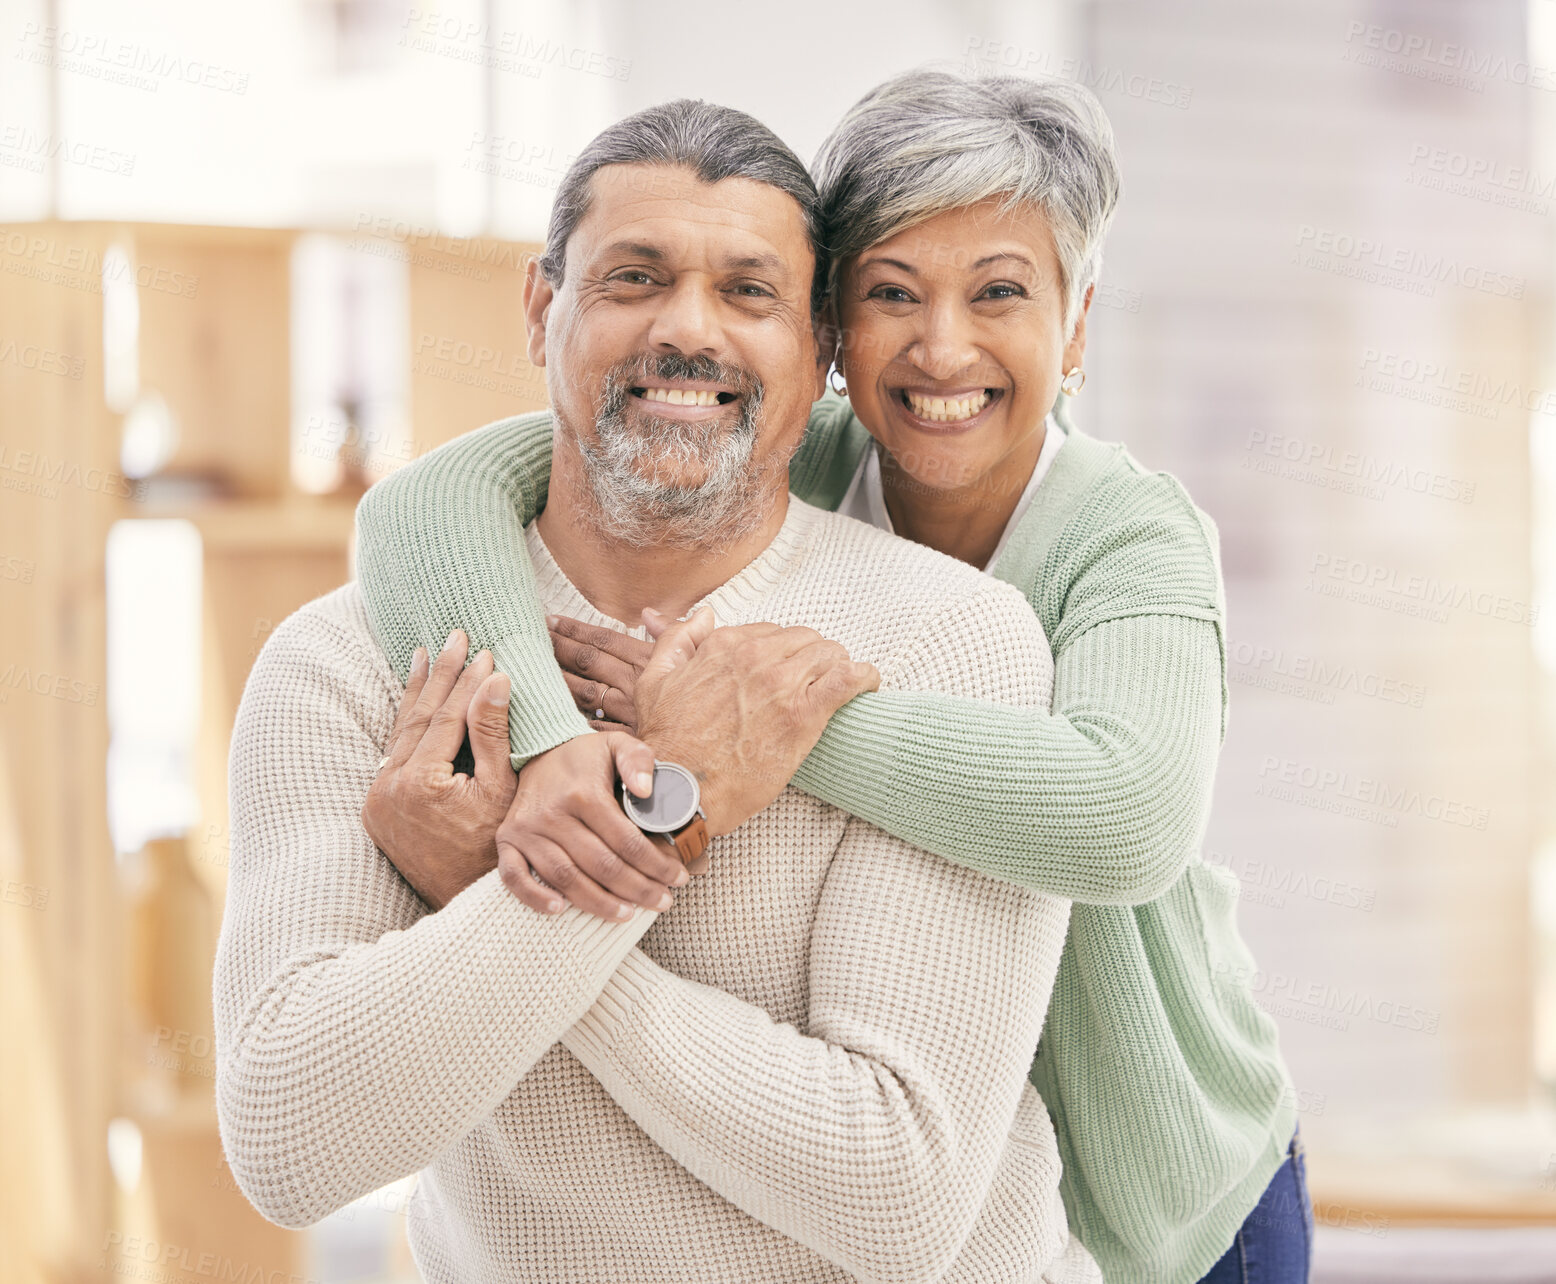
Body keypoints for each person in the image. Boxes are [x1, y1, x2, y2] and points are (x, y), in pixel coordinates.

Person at [354, 70, 1311, 1284]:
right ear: (827, 334)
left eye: (1000, 294)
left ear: (1072, 329)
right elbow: (426, 505)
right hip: (964, 1162)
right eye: (891, 294)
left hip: (1167, 1184)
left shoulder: (1127, 535)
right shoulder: (783, 448)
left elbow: (1125, 819)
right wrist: (556, 755)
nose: (942, 346)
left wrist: (761, 724)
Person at [215, 97, 1100, 1283]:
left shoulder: (950, 641)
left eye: (749, 293)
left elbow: (896, 1192)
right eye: (633, 278)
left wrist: (498, 882)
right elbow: (291, 1144)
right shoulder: (353, 665)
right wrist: (659, 829)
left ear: (820, 351)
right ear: (543, 309)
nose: (688, 330)